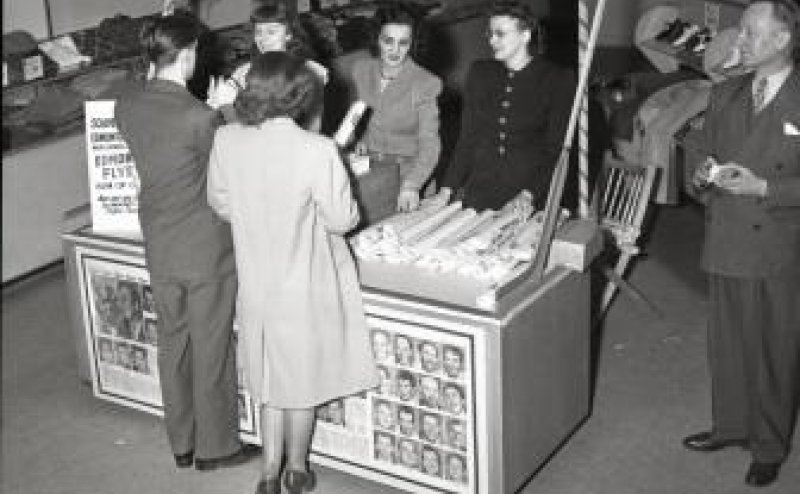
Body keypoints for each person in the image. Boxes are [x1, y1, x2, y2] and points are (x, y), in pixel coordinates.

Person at [206, 51, 377, 494]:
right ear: (299, 95)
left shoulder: (226, 139)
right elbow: (343, 219)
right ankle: (296, 469)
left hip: (255, 279)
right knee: (299, 380)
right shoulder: (317, 150)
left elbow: (220, 203)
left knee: (269, 378)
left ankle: (268, 474)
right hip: (304, 282)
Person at [114, 12, 252, 472]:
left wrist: (210, 113)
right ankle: (217, 448)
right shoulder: (200, 117)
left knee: (173, 341)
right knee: (211, 345)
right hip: (205, 247)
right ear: (189, 54)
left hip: (160, 240)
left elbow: (170, 149)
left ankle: (182, 442)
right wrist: (227, 109)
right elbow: (236, 164)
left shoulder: (126, 106)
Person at [685, 0, 800, 488]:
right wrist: (700, 174)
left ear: (782, 39)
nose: (740, 41)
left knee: (775, 349)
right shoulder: (726, 92)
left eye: (751, 32)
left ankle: (769, 446)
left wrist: (764, 187)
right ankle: (731, 426)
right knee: (728, 343)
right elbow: (700, 152)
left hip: (779, 245)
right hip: (728, 236)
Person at [438, 0, 576, 211]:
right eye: (490, 33)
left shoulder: (556, 79)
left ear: (525, 35)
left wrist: (528, 194)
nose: (492, 40)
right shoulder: (480, 73)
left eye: (500, 34)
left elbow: (555, 149)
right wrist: (446, 190)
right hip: (480, 190)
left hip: (530, 194)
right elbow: (467, 139)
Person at [347, 4, 443, 223]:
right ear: (376, 39)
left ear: (412, 44)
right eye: (388, 41)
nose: (395, 50)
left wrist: (412, 185)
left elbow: (430, 142)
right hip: (372, 169)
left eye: (403, 43)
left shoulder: (425, 83)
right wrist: (361, 140)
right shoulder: (362, 70)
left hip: (408, 173)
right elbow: (359, 115)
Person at [209, 1, 327, 125]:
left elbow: (314, 122)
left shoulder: (311, 70)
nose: (263, 39)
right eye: (258, 32)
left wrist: (226, 105)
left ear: (288, 35)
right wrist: (217, 103)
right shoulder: (243, 71)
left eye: (271, 32)